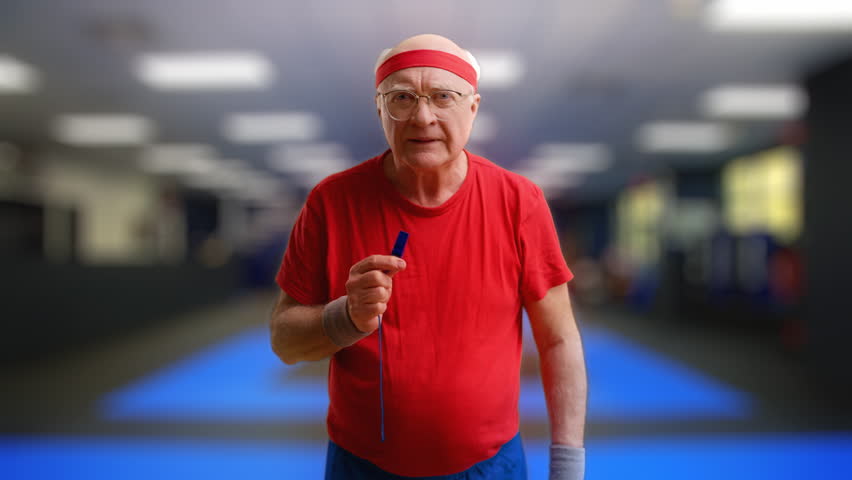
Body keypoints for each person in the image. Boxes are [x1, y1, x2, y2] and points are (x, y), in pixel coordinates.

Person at [270, 34, 587, 480]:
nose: (422, 116)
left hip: (489, 466)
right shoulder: (331, 202)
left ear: (472, 108)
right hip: (362, 466)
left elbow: (559, 340)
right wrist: (347, 317)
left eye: (443, 97)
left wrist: (568, 468)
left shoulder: (520, 203)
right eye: (401, 98)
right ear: (379, 109)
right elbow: (284, 340)